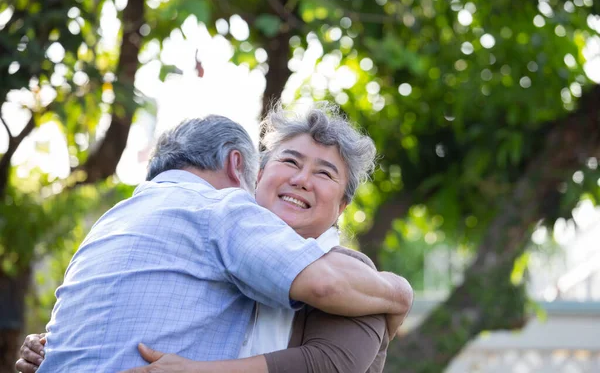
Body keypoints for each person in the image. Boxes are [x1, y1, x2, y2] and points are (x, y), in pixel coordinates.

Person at [17, 108, 412, 372]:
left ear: (342, 207)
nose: (302, 179)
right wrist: (64, 347)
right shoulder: (220, 232)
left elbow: (330, 363)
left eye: (324, 174)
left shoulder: (356, 278)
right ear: (256, 175)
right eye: (289, 161)